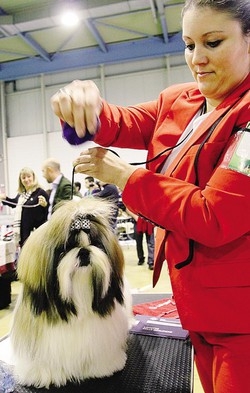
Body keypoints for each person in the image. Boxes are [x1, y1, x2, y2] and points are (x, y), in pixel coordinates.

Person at [51, 0, 250, 391]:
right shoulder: (180, 101)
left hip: (241, 319)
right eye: (189, 45)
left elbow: (216, 216)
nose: (198, 59)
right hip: (198, 305)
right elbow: (121, 121)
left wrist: (126, 177)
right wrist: (81, 108)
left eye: (213, 42)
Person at [0, 167, 49, 248]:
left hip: (36, 234)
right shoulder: (21, 195)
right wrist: (4, 198)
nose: (26, 179)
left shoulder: (40, 192)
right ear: (21, 180)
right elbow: (14, 204)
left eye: (28, 176)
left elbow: (50, 210)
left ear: (33, 177)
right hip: (24, 235)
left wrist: (45, 205)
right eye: (23, 178)